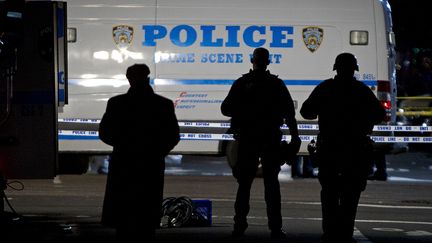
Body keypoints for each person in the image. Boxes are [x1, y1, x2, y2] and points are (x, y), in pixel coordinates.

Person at [300, 53, 385, 243]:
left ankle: (330, 232)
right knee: (351, 195)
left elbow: (306, 112)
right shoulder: (361, 90)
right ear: (353, 69)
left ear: (336, 68)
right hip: (354, 150)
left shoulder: (326, 88)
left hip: (330, 148)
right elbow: (380, 114)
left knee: (329, 193)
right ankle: (345, 233)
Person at [221, 47, 301, 239]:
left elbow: (226, 109)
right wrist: (295, 137)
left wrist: (244, 108)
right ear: (268, 62)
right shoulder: (276, 84)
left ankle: (239, 225)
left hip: (248, 138)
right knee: (271, 184)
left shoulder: (241, 83)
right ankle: (275, 227)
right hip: (270, 138)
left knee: (244, 184)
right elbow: (289, 113)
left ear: (252, 61)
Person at [98, 63, 180, 242]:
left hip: (124, 162)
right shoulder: (163, 105)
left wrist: (122, 145)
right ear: (148, 78)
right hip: (151, 164)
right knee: (147, 214)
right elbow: (173, 135)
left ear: (128, 79)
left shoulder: (116, 103)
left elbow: (104, 133)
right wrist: (158, 151)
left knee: (124, 214)